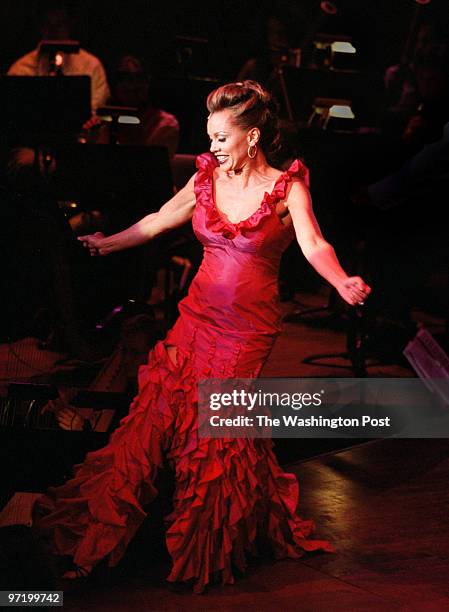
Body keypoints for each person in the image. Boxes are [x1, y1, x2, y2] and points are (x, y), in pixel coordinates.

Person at [33, 80, 371, 593]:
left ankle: (205, 549)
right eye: (209, 135)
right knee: (150, 425)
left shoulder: (288, 185)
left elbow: (313, 242)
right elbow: (159, 220)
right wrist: (109, 244)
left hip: (247, 329)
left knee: (217, 436)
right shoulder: (207, 178)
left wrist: (341, 279)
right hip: (197, 316)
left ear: (252, 137)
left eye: (219, 136)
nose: (209, 145)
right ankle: (92, 541)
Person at [8, 5, 110, 111]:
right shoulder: (21, 69)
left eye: (60, 24)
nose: (53, 30)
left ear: (70, 25)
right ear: (41, 26)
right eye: (48, 24)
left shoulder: (91, 65)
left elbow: (96, 111)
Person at [90, 55, 179, 158]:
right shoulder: (103, 122)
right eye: (124, 78)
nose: (131, 86)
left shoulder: (165, 124)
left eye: (139, 78)